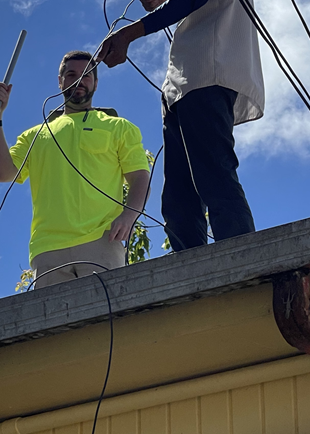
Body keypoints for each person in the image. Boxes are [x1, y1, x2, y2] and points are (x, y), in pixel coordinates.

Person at [98, 0, 265, 251]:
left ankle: (242, 258)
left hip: (207, 72)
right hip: (183, 86)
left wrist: (127, 34)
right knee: (179, 194)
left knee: (214, 176)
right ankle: (190, 269)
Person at [0, 50, 151, 288]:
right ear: (60, 80)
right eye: (71, 74)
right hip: (48, 250)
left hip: (102, 240)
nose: (79, 80)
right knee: (57, 326)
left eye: (86, 75)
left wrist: (129, 215)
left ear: (95, 82)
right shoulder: (34, 135)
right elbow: (2, 173)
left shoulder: (119, 127)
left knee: (111, 323)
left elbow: (139, 178)